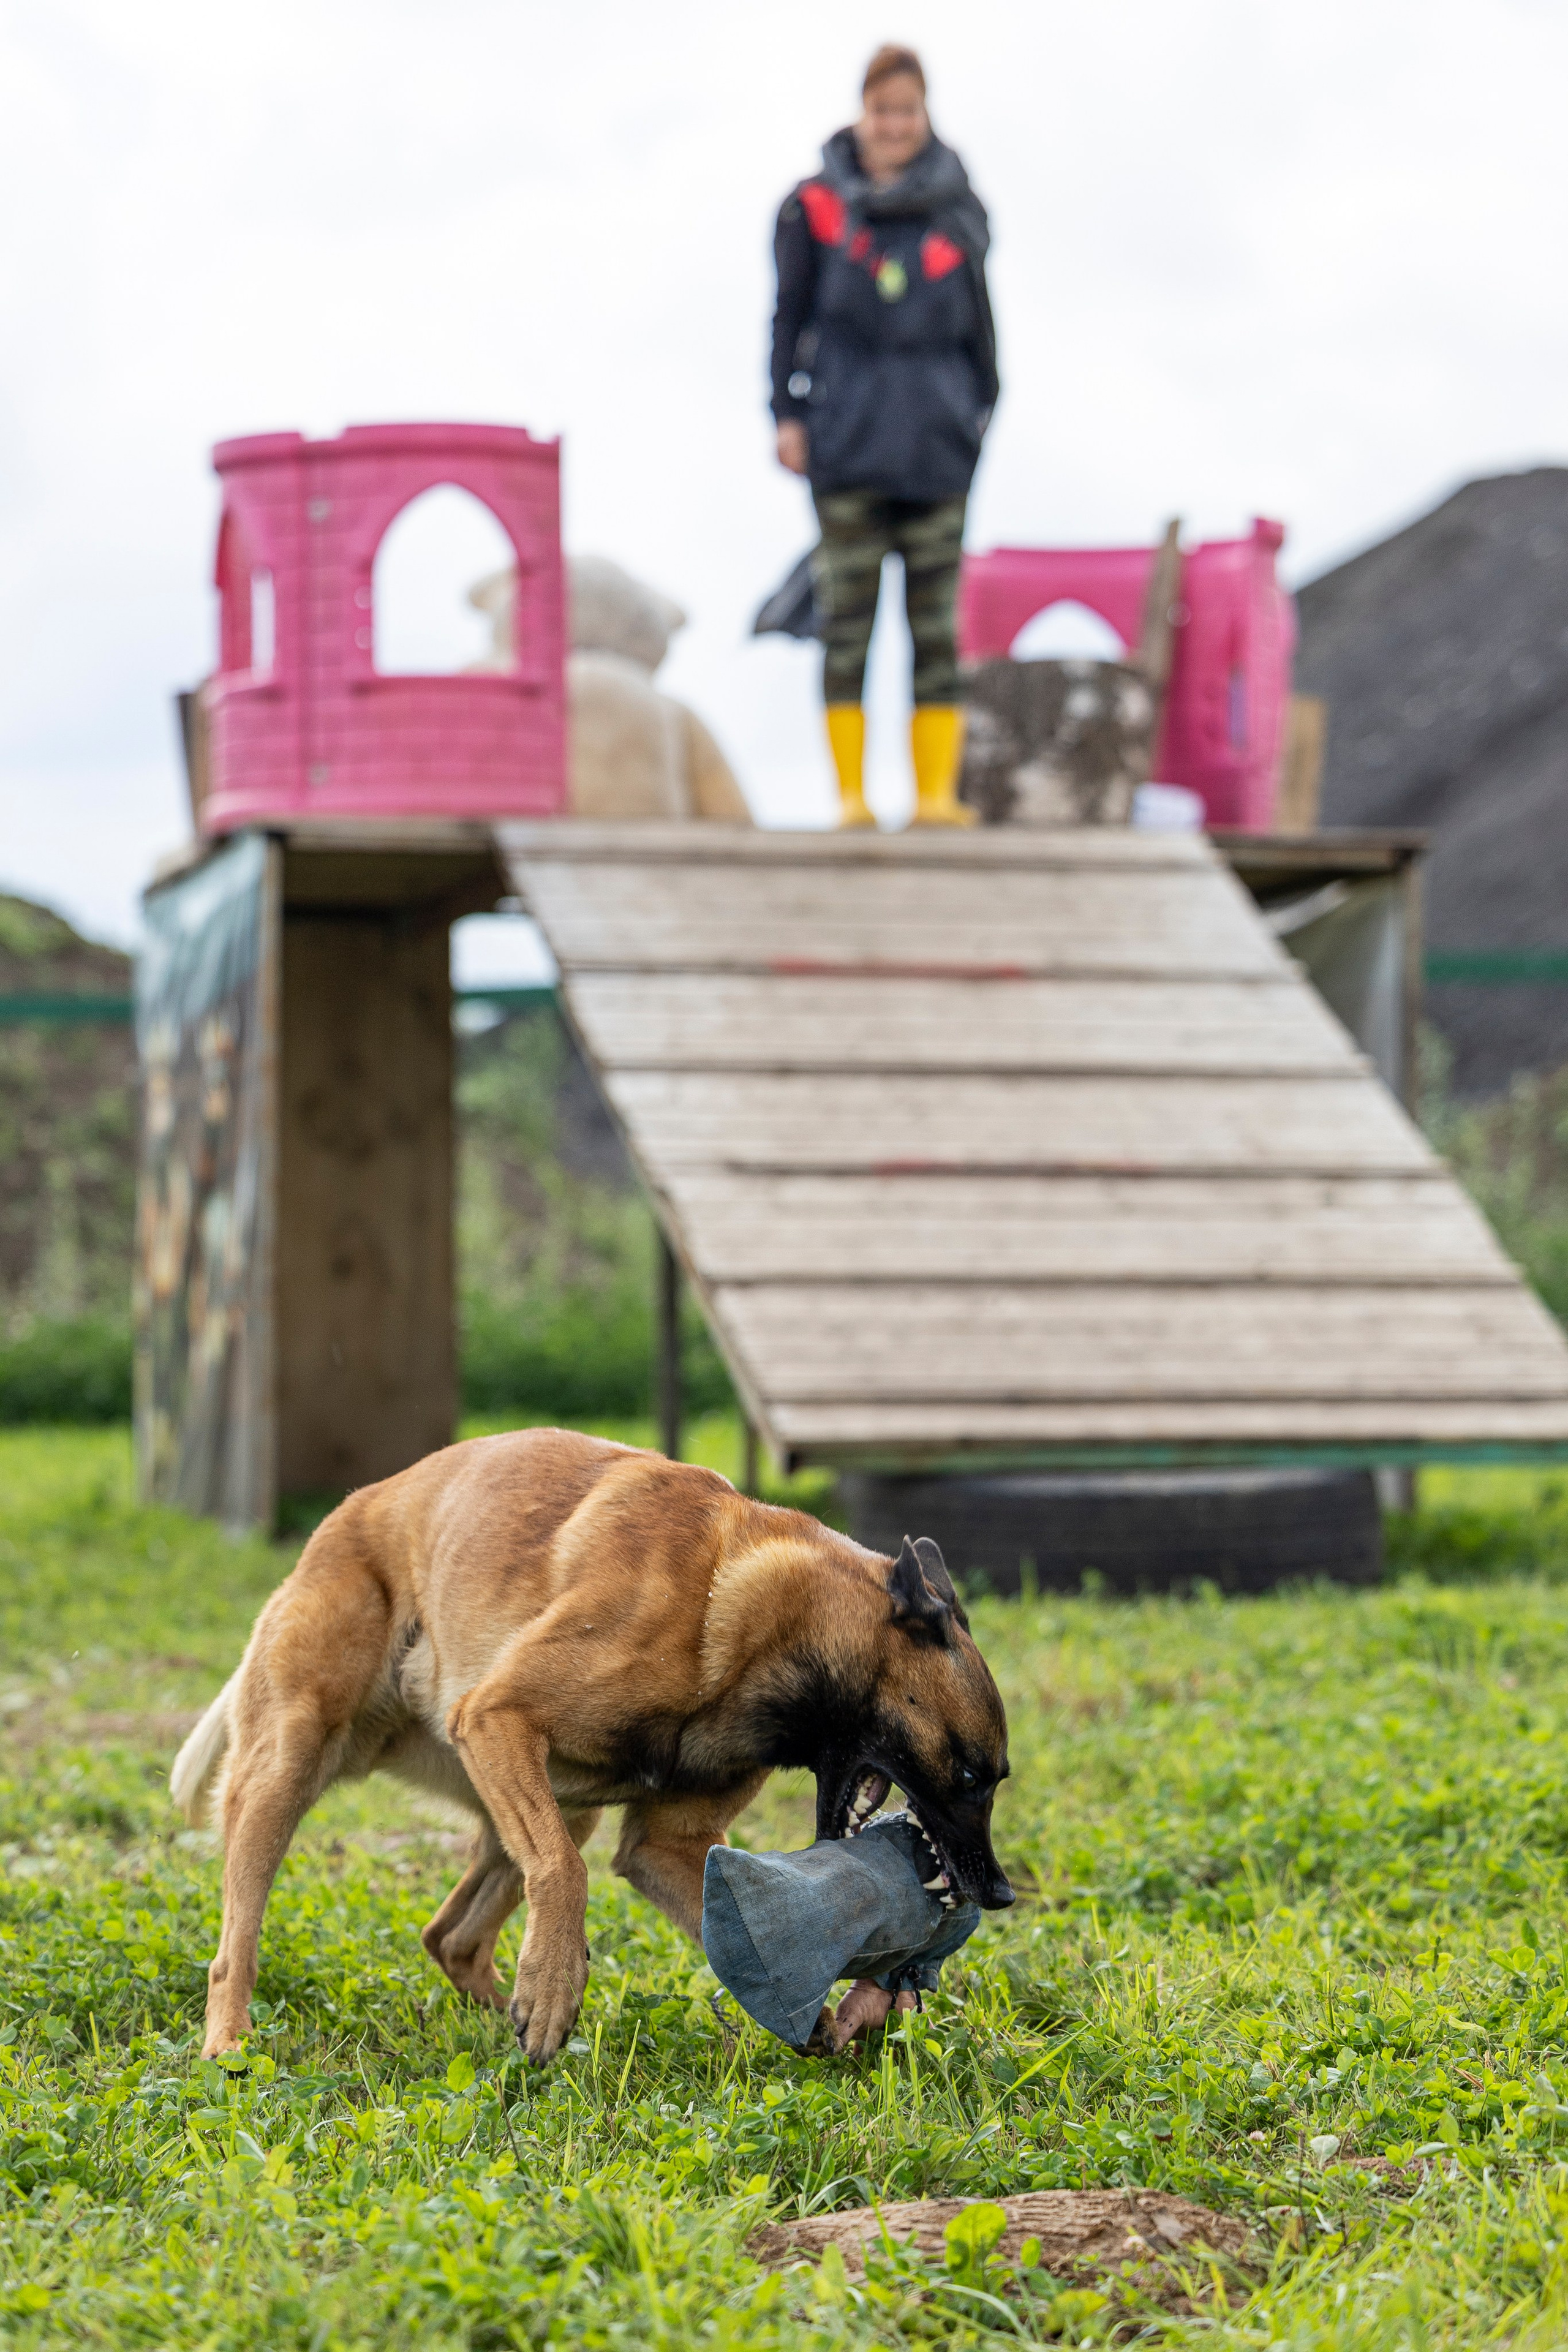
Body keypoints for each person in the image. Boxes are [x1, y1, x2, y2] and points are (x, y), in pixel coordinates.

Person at [771, 43, 998, 827]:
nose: (894, 125)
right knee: (847, 627)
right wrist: (786, 414)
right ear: (861, 112)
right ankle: (850, 798)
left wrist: (978, 413)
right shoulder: (812, 208)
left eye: (907, 111)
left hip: (937, 446)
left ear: (924, 114)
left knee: (936, 630)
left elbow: (982, 332)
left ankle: (934, 797)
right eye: (882, 110)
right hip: (846, 443)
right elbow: (787, 318)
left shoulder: (959, 212)